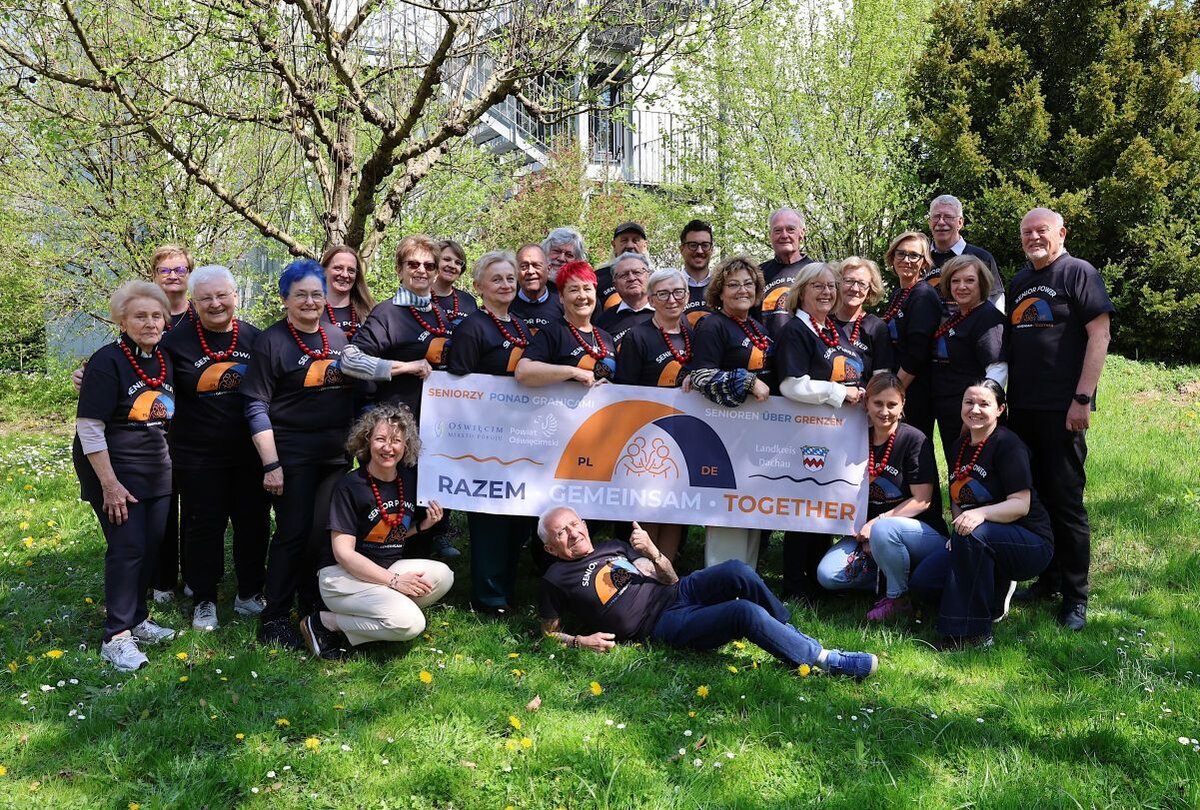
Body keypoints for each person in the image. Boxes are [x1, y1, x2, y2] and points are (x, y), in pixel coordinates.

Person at [536, 507, 878, 680]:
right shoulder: (555, 578)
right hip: (659, 623)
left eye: (574, 524)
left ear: (584, 524)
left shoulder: (613, 545)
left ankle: (787, 632)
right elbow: (547, 633)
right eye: (561, 532)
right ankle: (826, 660)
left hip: (678, 590)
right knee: (743, 612)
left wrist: (653, 553)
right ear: (551, 548)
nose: (573, 533)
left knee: (738, 570)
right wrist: (581, 641)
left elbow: (669, 578)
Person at [1007, 207, 1114, 631]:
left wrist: (1082, 398)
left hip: (1062, 409)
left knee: (1066, 501)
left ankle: (1075, 597)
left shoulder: (1078, 272)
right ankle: (1048, 580)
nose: (1034, 237)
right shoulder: (1019, 281)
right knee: (1036, 497)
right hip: (1022, 408)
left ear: (1061, 233)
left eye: (1042, 230)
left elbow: (1100, 335)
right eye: (1027, 232)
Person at [241, 259, 356, 649]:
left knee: (322, 534)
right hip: (292, 455)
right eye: (301, 294)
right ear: (285, 299)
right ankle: (275, 615)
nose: (310, 301)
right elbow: (255, 405)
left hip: (335, 456)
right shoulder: (272, 342)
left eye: (316, 294)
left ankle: (311, 606)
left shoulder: (337, 336)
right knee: (292, 532)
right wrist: (271, 463)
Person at [73, 280, 178, 671]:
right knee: (127, 547)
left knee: (150, 546)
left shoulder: (163, 358)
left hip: (156, 468)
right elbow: (89, 427)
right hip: (113, 470)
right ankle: (116, 636)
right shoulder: (106, 361)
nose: (149, 323)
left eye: (156, 316)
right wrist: (110, 484)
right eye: (140, 316)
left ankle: (137, 618)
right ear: (122, 320)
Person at [160, 265, 269, 630]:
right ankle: (204, 598)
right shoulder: (175, 343)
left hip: (250, 454)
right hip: (198, 455)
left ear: (235, 296)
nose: (215, 303)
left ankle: (249, 592)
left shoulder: (256, 339)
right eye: (205, 298)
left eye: (222, 295)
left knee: (253, 524)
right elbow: (149, 379)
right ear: (194, 302)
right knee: (203, 527)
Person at [304, 405, 453, 659]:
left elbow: (386, 532)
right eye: (380, 439)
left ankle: (382, 612)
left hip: (382, 569)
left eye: (396, 441)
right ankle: (325, 622)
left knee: (443, 576)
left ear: (406, 446)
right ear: (367, 441)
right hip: (342, 578)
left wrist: (422, 526)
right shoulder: (350, 486)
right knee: (411, 624)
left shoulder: (407, 480)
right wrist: (394, 581)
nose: (388, 448)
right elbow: (343, 554)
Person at [928, 380, 1054, 650]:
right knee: (924, 582)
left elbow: (1020, 505)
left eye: (984, 404)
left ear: (1000, 409)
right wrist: (959, 526)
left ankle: (974, 634)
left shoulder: (1009, 445)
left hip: (1030, 541)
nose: (975, 409)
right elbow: (957, 496)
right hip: (980, 537)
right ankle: (995, 588)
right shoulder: (959, 446)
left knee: (973, 535)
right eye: (969, 402)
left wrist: (979, 515)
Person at [814, 373, 948, 620]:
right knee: (828, 575)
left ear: (903, 404)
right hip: (867, 533)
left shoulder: (914, 439)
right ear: (866, 402)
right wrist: (862, 532)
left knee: (884, 530)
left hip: (919, 533)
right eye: (878, 403)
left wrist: (876, 525)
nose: (884, 411)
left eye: (892, 404)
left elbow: (923, 500)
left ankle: (899, 599)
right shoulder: (856, 436)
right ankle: (892, 573)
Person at [447, 250, 536, 615]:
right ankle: (487, 598)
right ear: (478, 286)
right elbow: (457, 385)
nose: (505, 284)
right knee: (490, 520)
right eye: (496, 279)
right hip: (484, 441)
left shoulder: (520, 326)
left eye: (510, 278)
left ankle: (507, 590)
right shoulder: (472, 327)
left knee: (517, 516)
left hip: (520, 437)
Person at [774, 262, 866, 601]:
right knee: (802, 508)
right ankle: (796, 585)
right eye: (818, 286)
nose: (827, 292)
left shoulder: (827, 329)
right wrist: (840, 393)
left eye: (831, 286)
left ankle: (816, 580)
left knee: (822, 505)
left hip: (830, 433)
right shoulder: (795, 330)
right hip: (803, 434)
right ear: (801, 292)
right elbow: (791, 385)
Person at [687, 255, 773, 569]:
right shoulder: (712, 325)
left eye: (748, 284)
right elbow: (701, 376)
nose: (742, 290)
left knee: (751, 511)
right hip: (726, 433)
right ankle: (720, 581)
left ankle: (744, 581)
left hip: (755, 430)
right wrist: (747, 381)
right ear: (720, 292)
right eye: (733, 285)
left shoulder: (755, 326)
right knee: (728, 511)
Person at [612, 267, 695, 561]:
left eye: (678, 292)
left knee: (674, 506)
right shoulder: (638, 336)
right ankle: (645, 571)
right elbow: (626, 390)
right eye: (663, 294)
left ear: (687, 296)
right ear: (651, 299)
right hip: (648, 436)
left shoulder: (695, 334)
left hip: (687, 432)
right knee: (648, 505)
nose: (672, 299)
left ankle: (666, 572)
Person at [341, 234, 449, 421]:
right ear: (399, 270)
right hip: (396, 423)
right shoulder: (387, 313)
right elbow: (350, 360)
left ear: (436, 274)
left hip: (434, 422)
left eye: (429, 266)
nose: (421, 270)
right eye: (413, 264)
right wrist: (406, 367)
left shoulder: (440, 314)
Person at [931, 255, 1008, 461]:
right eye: (955, 281)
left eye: (969, 280)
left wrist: (976, 412)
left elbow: (997, 369)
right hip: (951, 412)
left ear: (982, 283)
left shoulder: (987, 317)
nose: (961, 286)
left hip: (974, 419)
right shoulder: (960, 315)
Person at [880, 231, 943, 440]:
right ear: (892, 257)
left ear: (924, 262)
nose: (906, 260)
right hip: (898, 386)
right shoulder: (899, 294)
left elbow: (917, 352)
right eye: (901, 254)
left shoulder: (923, 295)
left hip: (914, 391)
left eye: (914, 255)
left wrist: (894, 392)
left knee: (913, 448)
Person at [515, 261, 617, 387]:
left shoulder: (606, 337)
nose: (582, 296)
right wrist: (573, 372)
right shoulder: (552, 332)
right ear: (561, 297)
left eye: (587, 289)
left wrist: (609, 387)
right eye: (574, 290)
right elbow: (523, 372)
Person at [927, 194, 1004, 311]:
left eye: (948, 217)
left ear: (960, 223)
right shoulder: (920, 258)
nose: (941, 222)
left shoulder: (981, 258)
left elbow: (995, 302)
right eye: (936, 217)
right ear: (929, 222)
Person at [757, 208, 815, 338]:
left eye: (790, 229)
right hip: (766, 349)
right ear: (770, 235)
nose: (784, 235)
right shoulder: (757, 274)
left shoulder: (817, 272)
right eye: (777, 230)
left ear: (802, 233)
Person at [832, 257, 893, 378]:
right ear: (837, 284)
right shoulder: (822, 321)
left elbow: (881, 379)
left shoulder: (877, 328)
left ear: (870, 290)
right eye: (848, 281)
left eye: (862, 284)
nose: (855, 289)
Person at [594, 252, 655, 344]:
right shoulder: (604, 321)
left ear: (649, 277)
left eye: (637, 272)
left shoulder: (665, 310)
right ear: (615, 284)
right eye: (624, 275)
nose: (632, 278)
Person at [320, 244, 376, 340]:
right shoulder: (311, 310)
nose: (345, 275)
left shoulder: (371, 311)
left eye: (351, 271)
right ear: (324, 270)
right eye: (338, 268)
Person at [594, 222, 650, 315]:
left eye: (635, 240)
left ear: (644, 245)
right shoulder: (597, 277)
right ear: (614, 245)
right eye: (624, 240)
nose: (630, 245)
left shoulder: (656, 278)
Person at [509, 243, 564, 333]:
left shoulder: (563, 303)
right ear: (516, 271)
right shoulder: (506, 303)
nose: (530, 271)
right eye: (524, 266)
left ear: (548, 269)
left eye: (536, 265)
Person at [431, 239, 477, 327]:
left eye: (458, 263)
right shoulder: (419, 298)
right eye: (446, 259)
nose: (452, 266)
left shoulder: (468, 301)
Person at [677, 219, 715, 326]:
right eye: (693, 245)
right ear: (682, 249)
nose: (699, 251)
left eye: (705, 245)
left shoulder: (723, 287)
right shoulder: (670, 287)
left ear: (712, 249)